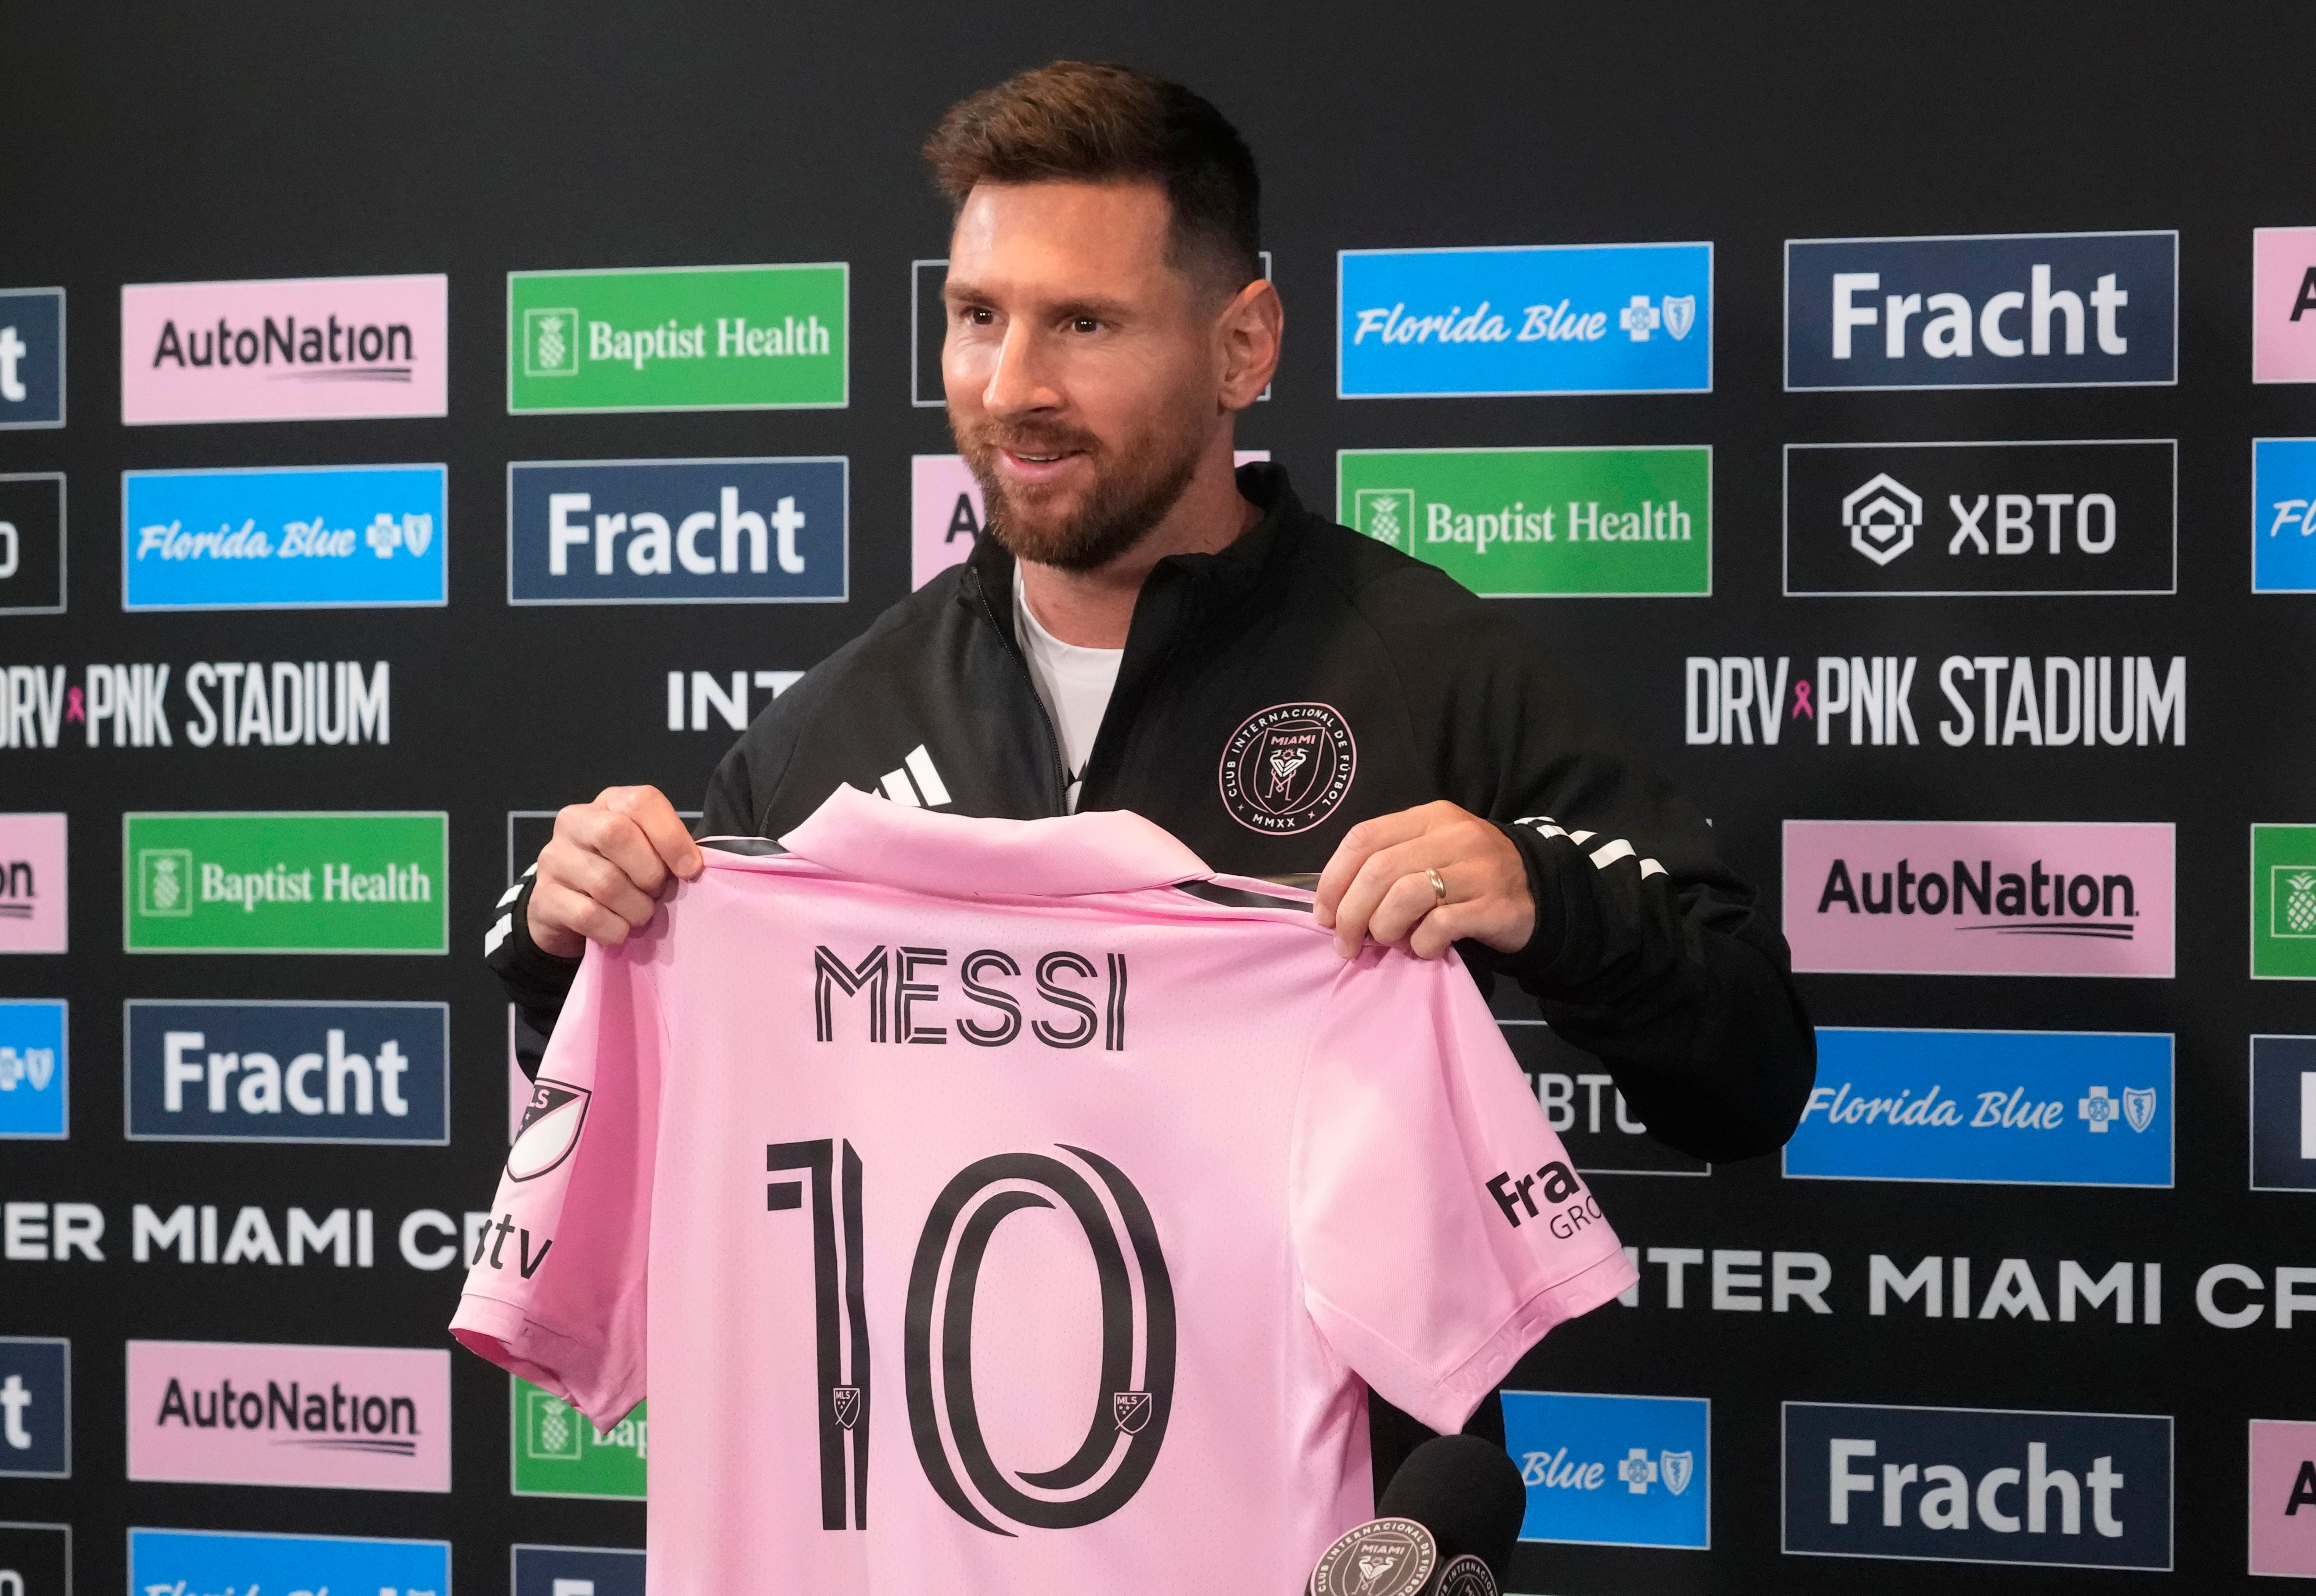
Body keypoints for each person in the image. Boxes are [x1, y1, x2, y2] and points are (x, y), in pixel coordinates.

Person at [486, 58, 1814, 1485]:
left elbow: (1748, 1080)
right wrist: (571, 957)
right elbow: (698, 1140)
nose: (1012, 388)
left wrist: (1544, 897)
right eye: (976, 317)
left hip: (1311, 1530)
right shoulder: (833, 726)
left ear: (1242, 347)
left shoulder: (1430, 667)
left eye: (1084, 324)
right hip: (926, 1544)